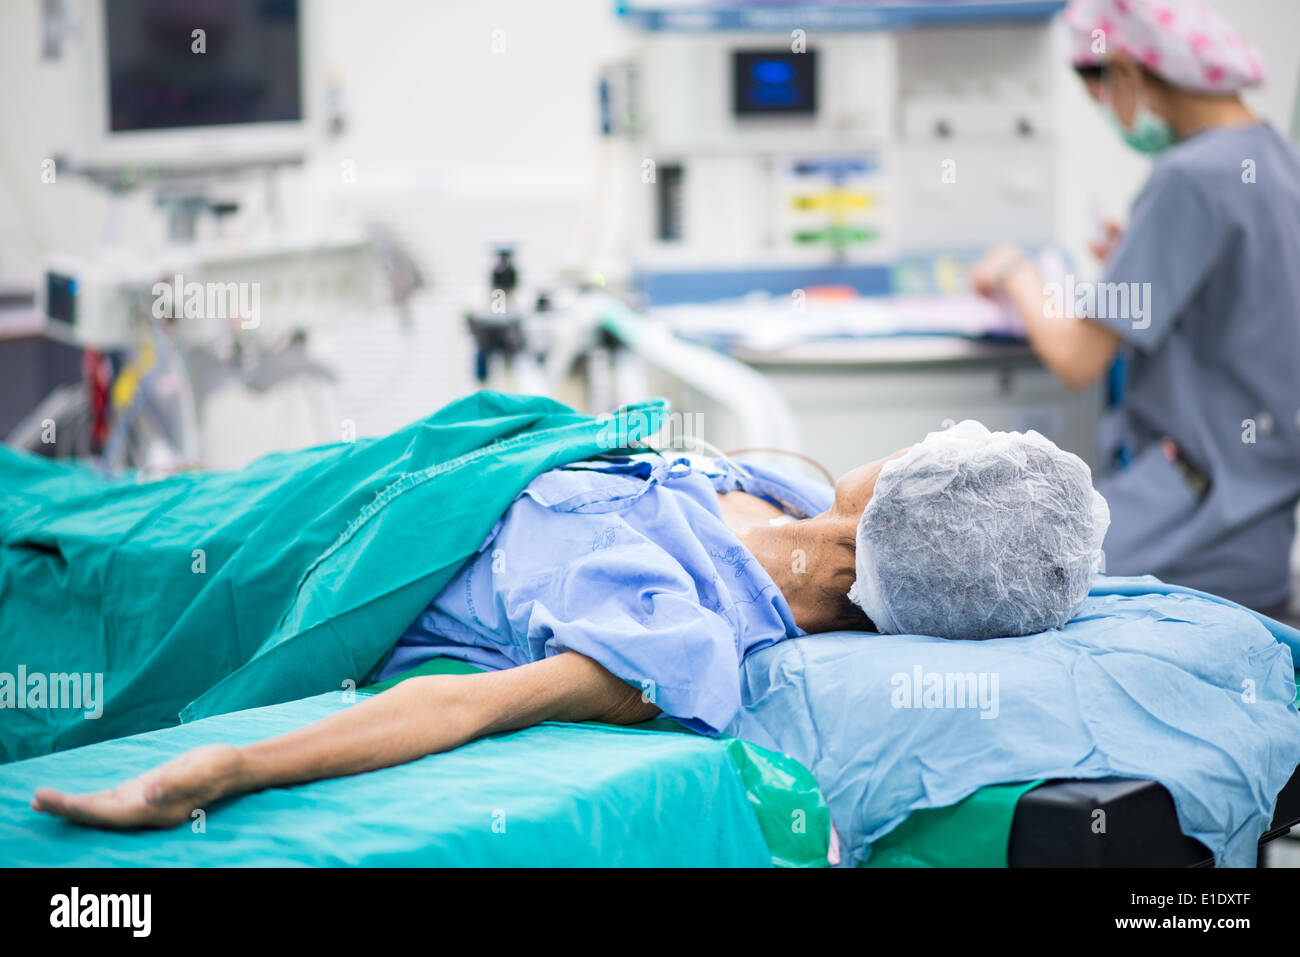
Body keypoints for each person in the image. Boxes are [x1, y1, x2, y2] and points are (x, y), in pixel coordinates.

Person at [31, 422, 1107, 829]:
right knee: (87, 508)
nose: (923, 438)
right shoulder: (779, 488)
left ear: (896, 512)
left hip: (282, 572)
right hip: (338, 486)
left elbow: (456, 706)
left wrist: (224, 770)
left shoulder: (678, 637)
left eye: (935, 449)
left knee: (66, 564)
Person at [970, 0, 1300, 614]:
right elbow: (1244, 299)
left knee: (990, 585)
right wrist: (1136, 259)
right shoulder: (1275, 158)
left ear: (1125, 71)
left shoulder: (1190, 176)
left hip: (1193, 529)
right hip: (1258, 531)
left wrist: (1016, 273)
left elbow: (1076, 357)